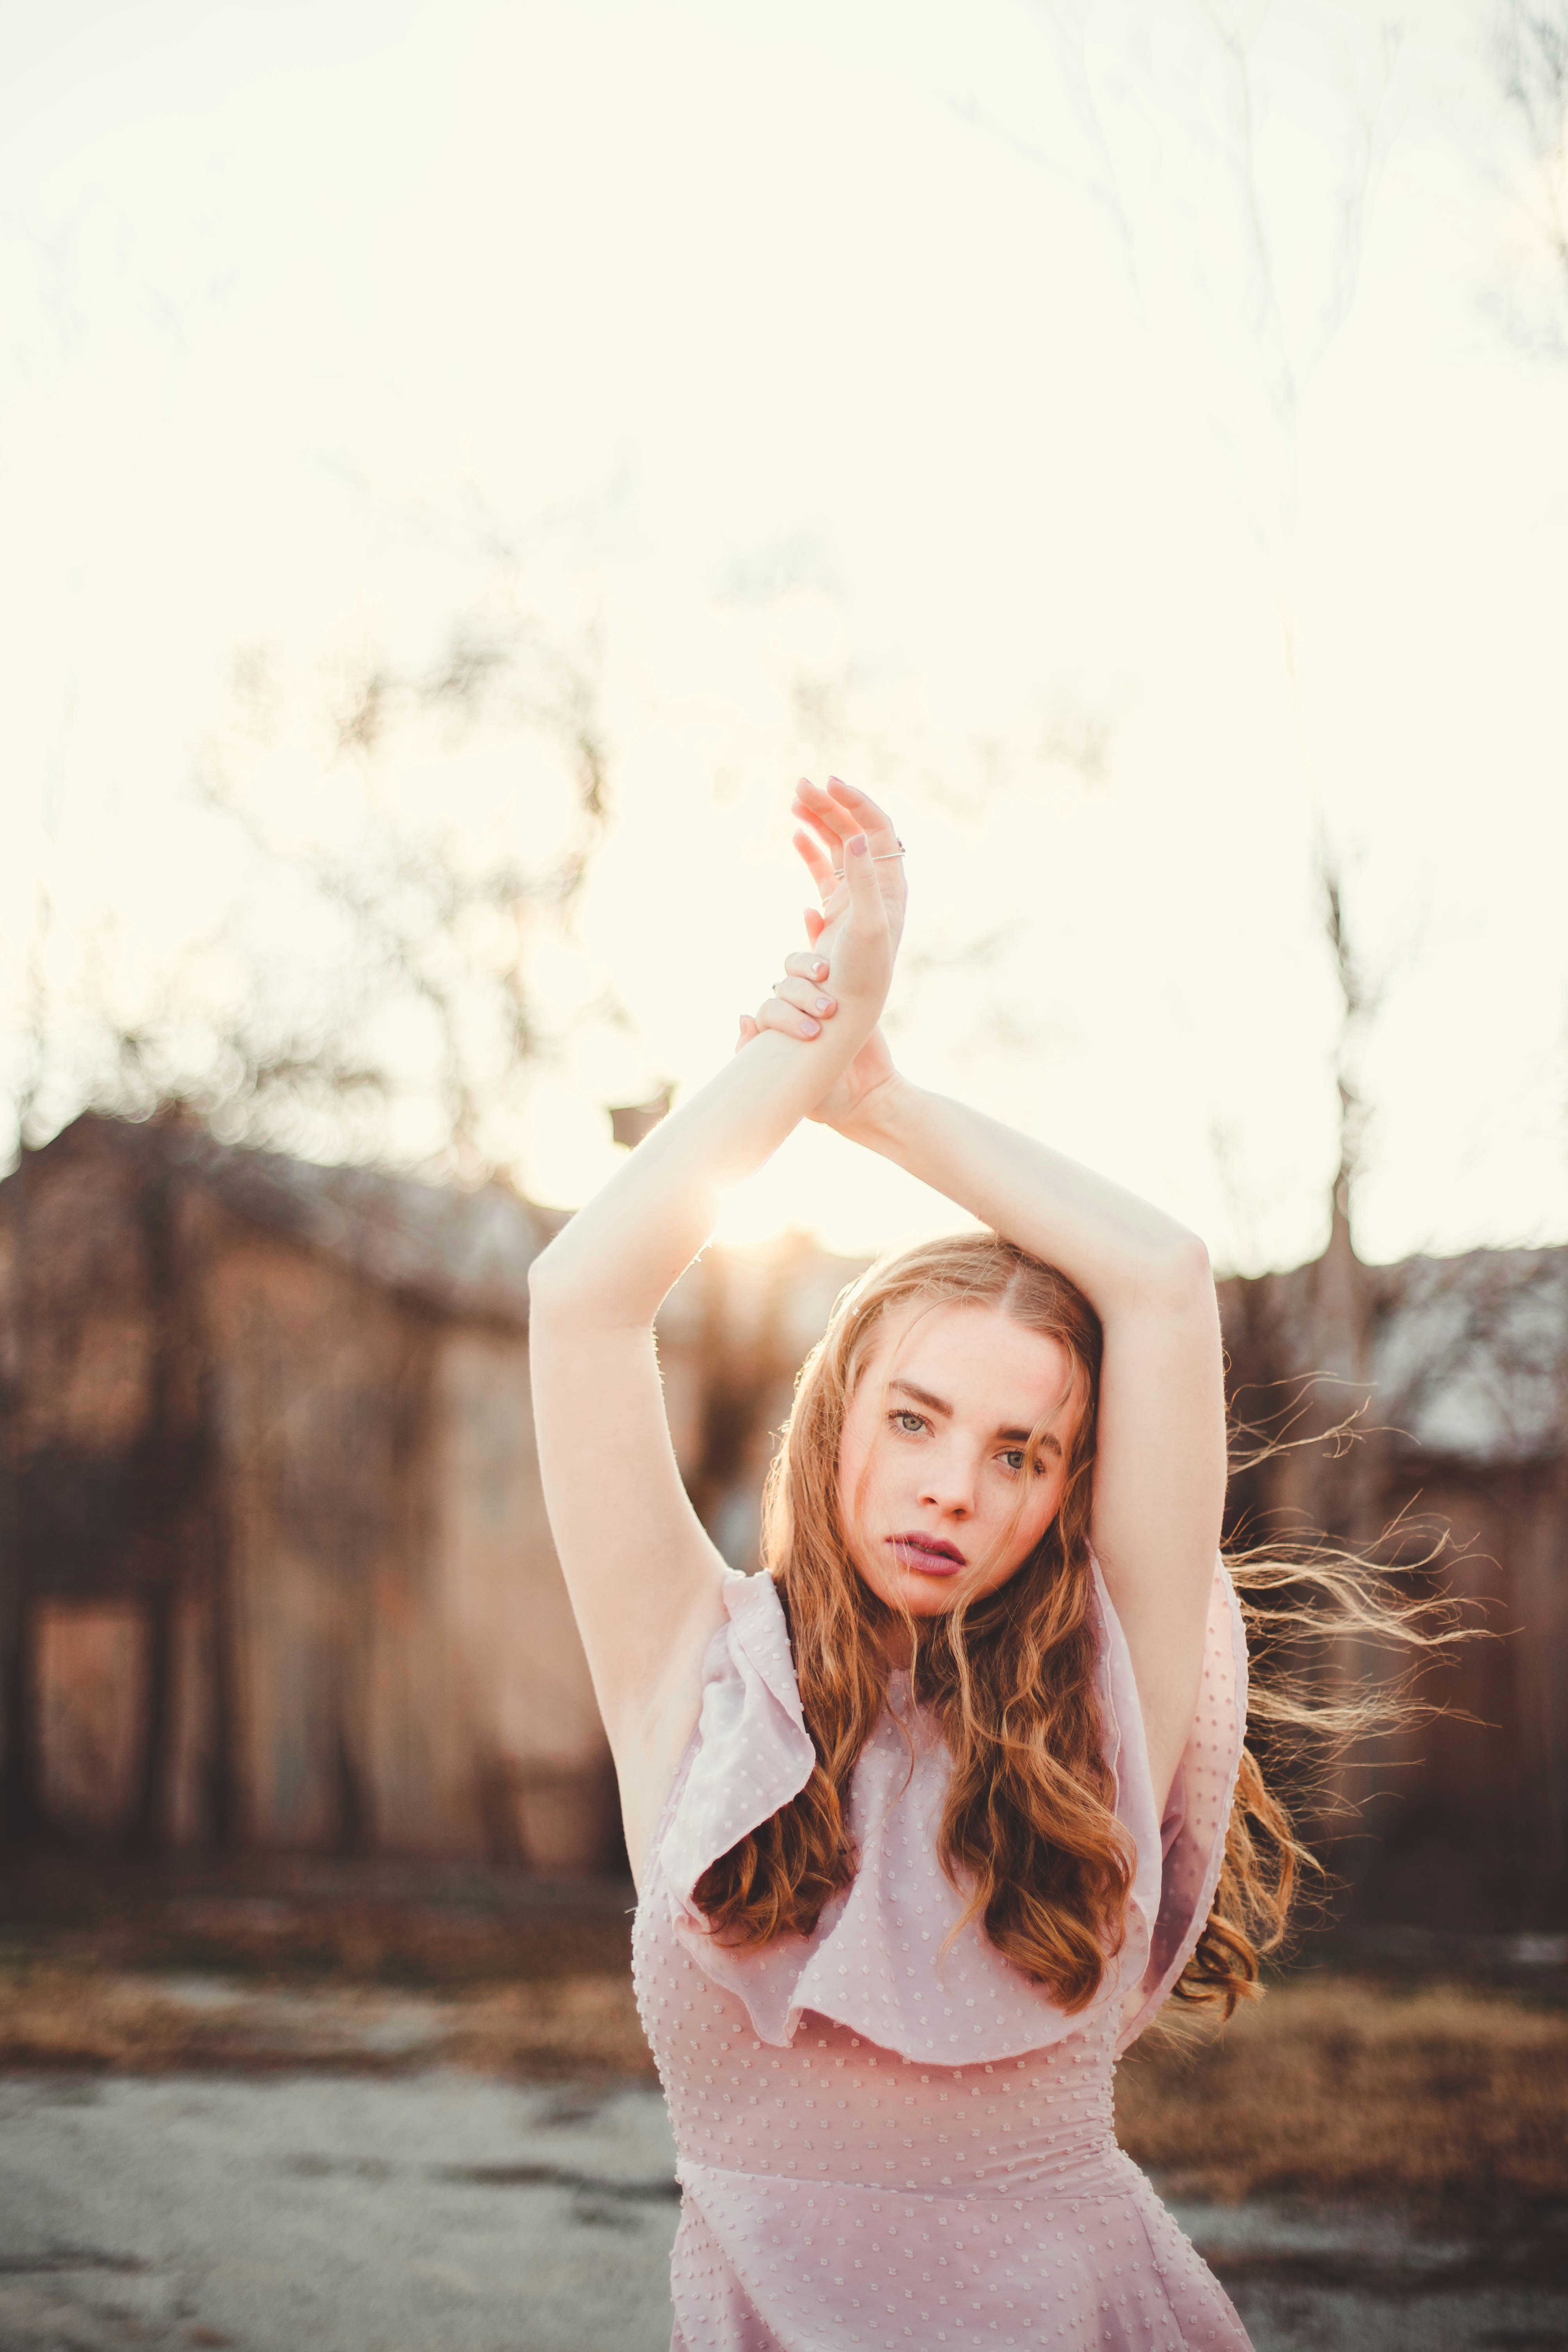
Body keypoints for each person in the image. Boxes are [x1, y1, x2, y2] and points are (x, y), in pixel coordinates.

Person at [528, 775, 1260, 2350]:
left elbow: (1162, 1277)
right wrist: (802, 1053)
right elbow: (580, 1298)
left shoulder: (1106, 1692)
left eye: (1019, 1451)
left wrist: (881, 1100)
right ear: (835, 1419)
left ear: (1065, 1492)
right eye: (915, 1419)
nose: (952, 1487)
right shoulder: (693, 1666)